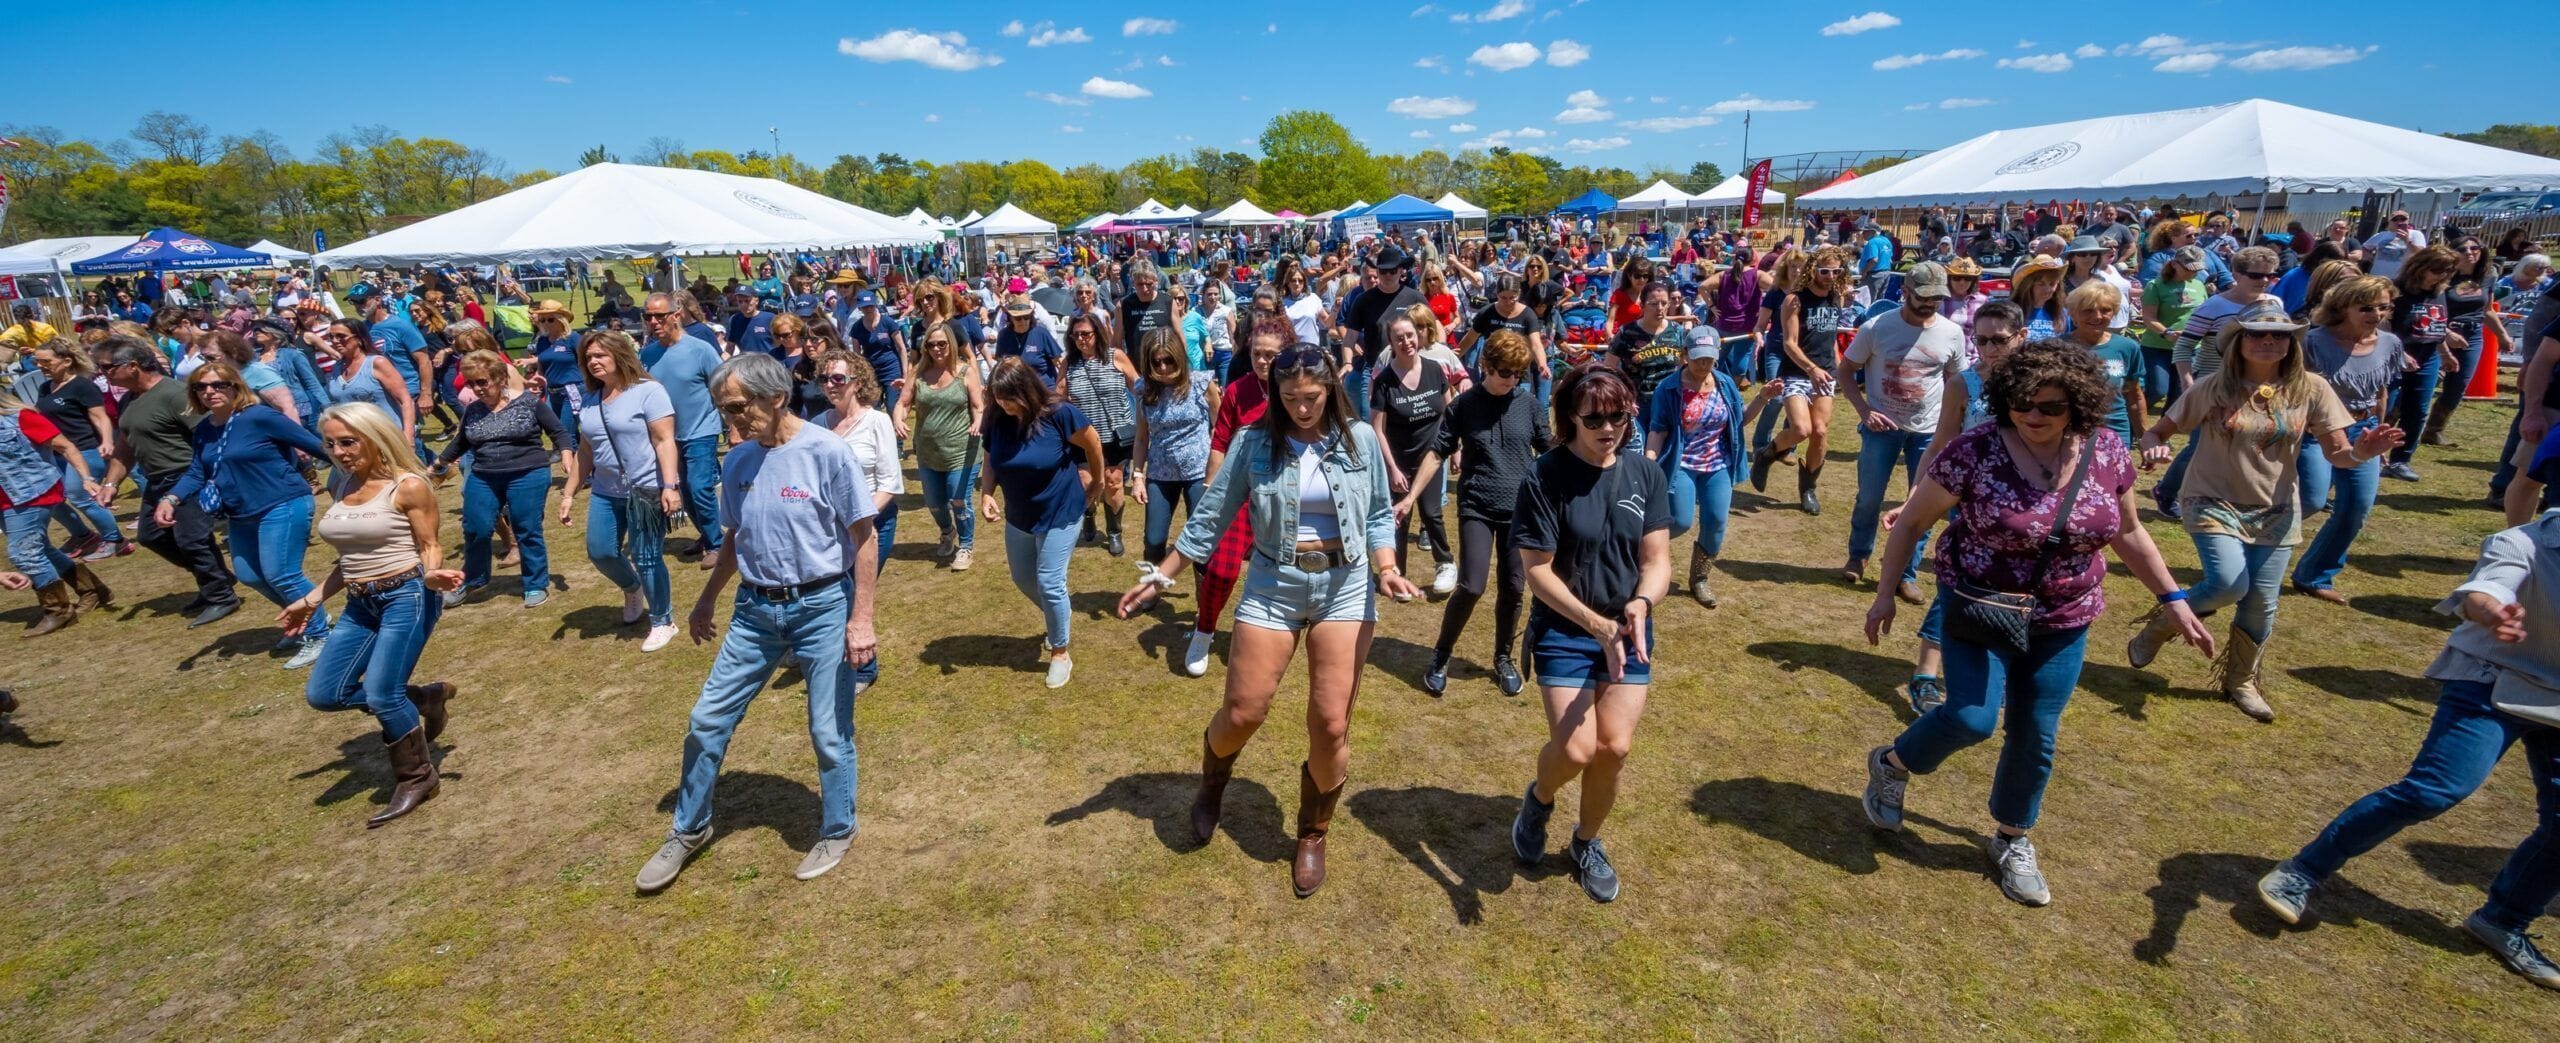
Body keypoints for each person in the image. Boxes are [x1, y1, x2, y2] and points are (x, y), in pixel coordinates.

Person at [1859, 340, 2212, 907]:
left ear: (2078, 403)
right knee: (1972, 719)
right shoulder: (1974, 451)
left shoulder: (2106, 452)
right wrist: (1885, 595)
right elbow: (1910, 524)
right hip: (1979, 604)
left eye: (2049, 406)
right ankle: (1893, 763)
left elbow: (2128, 532)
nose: (2034, 415)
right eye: (2022, 403)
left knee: (2036, 732)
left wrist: (2173, 597)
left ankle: (2012, 838)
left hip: (2065, 614)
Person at [1118, 342, 1418, 899]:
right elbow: (1212, 512)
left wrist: (1388, 567)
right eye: (1290, 398)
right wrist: (1162, 575)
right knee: (1243, 711)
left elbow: (1378, 512)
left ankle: (1313, 832)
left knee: (1331, 723)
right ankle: (1213, 782)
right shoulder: (1256, 442)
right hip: (1273, 584)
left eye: (1312, 397)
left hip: (1345, 585)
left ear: (1329, 389)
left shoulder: (1358, 442)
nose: (1302, 408)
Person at [2255, 509, 2560, 991]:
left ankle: (2504, 920)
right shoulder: (2521, 543)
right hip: (2490, 677)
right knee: (2436, 790)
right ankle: (2301, 872)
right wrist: (2491, 611)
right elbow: (2488, 590)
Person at [633, 353, 882, 892]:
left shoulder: (826, 452)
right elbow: (732, 539)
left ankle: (838, 827)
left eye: (739, 408)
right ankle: (689, 828)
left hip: (822, 608)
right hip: (754, 613)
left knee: (827, 730)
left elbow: (865, 537)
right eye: (725, 410)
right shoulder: (739, 462)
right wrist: (704, 602)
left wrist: (861, 618)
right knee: (706, 721)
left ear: (777, 398)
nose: (733, 422)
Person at [2133, 301, 2405, 721]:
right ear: (2238, 342)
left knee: (2260, 602)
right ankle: (2163, 625)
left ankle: (2240, 681)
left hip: (2276, 507)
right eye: (2256, 333)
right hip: (2212, 498)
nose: (2267, 341)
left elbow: (2339, 455)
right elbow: (2159, 429)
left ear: (2291, 344)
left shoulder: (2311, 388)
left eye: (2278, 335)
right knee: (2226, 583)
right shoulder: (2212, 386)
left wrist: (2364, 451)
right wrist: (2153, 444)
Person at [1502, 361, 1671, 904]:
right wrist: (1593, 623)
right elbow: (1537, 570)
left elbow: (1658, 559)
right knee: (1575, 752)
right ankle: (1539, 799)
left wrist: (1642, 603)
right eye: (1594, 417)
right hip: (1566, 627)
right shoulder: (1545, 475)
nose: (1608, 428)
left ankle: (1585, 842)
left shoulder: (1645, 474)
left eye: (1618, 416)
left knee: (1614, 748)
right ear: (1569, 416)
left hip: (1627, 630)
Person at [280, 403, 463, 828]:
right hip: (360, 603)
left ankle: (418, 778)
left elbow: (428, 543)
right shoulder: (340, 483)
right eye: (331, 444)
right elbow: (351, 558)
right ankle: (426, 697)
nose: (339, 452)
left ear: (374, 436)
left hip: (407, 595)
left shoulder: (409, 486)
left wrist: (433, 572)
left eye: (348, 441)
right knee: (325, 694)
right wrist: (311, 600)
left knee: (382, 694)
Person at [163, 360, 337, 668]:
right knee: (249, 574)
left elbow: (317, 445)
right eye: (200, 387)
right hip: (241, 513)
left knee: (281, 573)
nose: (209, 392)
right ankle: (305, 619)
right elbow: (196, 471)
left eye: (219, 385)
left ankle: (319, 635)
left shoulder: (260, 417)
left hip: (282, 502)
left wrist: (356, 475)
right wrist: (172, 498)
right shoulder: (204, 429)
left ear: (236, 387)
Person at [1426, 330, 1549, 695]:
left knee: (1514, 587)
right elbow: (1438, 451)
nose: (1512, 380)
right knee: (1472, 585)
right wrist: (1409, 495)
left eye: (1518, 374)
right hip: (1477, 505)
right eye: (1505, 373)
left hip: (1520, 511)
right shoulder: (1463, 406)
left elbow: (1548, 449)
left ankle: (1503, 657)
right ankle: (1441, 655)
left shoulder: (1528, 405)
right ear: (1485, 366)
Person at [1839, 262, 1968, 602]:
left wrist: (1954, 426)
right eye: (1922, 297)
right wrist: (1864, 410)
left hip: (1930, 432)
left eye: (1935, 299)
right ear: (1905, 292)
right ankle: (1858, 555)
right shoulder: (1876, 328)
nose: (1929, 305)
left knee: (1923, 505)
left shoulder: (1951, 333)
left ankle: (1904, 574)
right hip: (1882, 428)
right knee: (1869, 498)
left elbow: (1959, 381)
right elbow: (1846, 371)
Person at [94, 337, 240, 626]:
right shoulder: (129, 399)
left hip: (186, 474)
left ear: (133, 366)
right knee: (151, 536)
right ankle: (215, 579)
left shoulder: (174, 394)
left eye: (108, 367)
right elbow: (126, 444)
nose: (103, 374)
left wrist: (211, 477)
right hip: (157, 479)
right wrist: (110, 483)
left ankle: (221, 595)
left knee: (192, 539)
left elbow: (210, 434)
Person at [982, 357, 1105, 688]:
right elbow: (990, 458)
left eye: (1008, 398)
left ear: (1025, 391)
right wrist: (986, 493)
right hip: (1019, 514)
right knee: (1023, 579)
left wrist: (1097, 480)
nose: (1002, 404)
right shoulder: (996, 417)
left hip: (1061, 509)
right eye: (997, 397)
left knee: (1050, 582)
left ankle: (1060, 653)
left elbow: (1092, 442)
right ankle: (1059, 615)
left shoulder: (1058, 413)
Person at [564, 330, 687, 650]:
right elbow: (585, 450)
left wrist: (670, 486)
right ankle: (632, 588)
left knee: (647, 557)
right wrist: (568, 493)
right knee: (601, 551)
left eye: (600, 356)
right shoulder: (591, 399)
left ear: (620, 356)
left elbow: (664, 441)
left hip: (647, 489)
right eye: (588, 358)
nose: (593, 362)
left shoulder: (649, 391)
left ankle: (663, 620)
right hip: (606, 491)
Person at [2291, 275, 2410, 605]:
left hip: (2363, 428)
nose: (2377, 314)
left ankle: (2314, 575)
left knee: (2356, 507)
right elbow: (2295, 390)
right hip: (2317, 430)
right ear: (2343, 306)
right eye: (2367, 307)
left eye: (2384, 307)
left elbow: (2381, 391)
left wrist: (2380, 436)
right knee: (2312, 499)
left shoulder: (2389, 343)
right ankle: (2251, 545)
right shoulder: (2313, 341)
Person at [431, 350, 571, 608]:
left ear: (500, 379)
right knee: (475, 528)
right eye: (471, 383)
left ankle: (535, 583)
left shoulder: (529, 402)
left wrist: (566, 454)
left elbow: (558, 431)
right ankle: (474, 579)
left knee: (526, 528)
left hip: (527, 472)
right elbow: (461, 442)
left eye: (482, 382)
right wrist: (438, 464)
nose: (477, 388)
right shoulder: (473, 410)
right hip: (484, 475)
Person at [811, 350, 901, 696]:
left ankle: (864, 668)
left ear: (857, 382)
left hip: (872, 523)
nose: (831, 385)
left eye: (838, 378)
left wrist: (857, 518)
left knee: (853, 592)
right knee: (831, 590)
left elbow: (890, 483)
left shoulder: (877, 421)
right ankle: (824, 651)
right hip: (829, 527)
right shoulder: (818, 425)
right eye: (825, 378)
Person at [1644, 325, 1746, 610]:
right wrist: (1649, 459)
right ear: (1685, 354)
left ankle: (1699, 579)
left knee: (1716, 524)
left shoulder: (1725, 383)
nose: (1704, 364)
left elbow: (1738, 422)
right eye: (1698, 357)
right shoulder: (1669, 388)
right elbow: (1658, 429)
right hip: (1683, 462)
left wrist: (1763, 398)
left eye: (1710, 358)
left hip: (1718, 464)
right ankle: (1640, 549)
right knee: (1680, 520)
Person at [1750, 245, 1855, 515]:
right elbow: (1789, 343)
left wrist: (1838, 367)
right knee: (1800, 430)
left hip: (1826, 373)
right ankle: (1767, 453)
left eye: (1836, 271)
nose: (1830, 276)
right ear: (1813, 270)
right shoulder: (1794, 300)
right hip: (1798, 371)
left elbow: (1829, 339)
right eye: (1824, 271)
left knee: (1820, 432)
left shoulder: (1836, 297)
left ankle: (1808, 488)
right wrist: (1811, 369)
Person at [0, 384, 112, 636]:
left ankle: (58, 611)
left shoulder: (21, 417)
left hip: (32, 493)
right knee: (40, 548)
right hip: (7, 499)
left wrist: (86, 478)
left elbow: (66, 447)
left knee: (23, 553)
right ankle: (93, 590)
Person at [1372, 313, 1459, 596]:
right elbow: (1377, 429)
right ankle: (1398, 575)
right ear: (1392, 343)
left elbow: (1450, 413)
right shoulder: (1385, 380)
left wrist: (1456, 449)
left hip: (1432, 457)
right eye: (1399, 338)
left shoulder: (1435, 369)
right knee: (1398, 518)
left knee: (1432, 512)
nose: (1407, 342)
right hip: (1398, 459)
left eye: (1410, 335)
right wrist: (1392, 468)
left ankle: (1445, 563)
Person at [26, 340, 133, 562]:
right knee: (53, 499)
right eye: (37, 361)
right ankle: (82, 536)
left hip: (86, 449)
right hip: (58, 453)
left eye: (46, 361)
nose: (40, 366)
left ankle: (115, 540)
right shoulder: (46, 387)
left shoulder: (82, 386)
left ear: (66, 361)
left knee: (79, 494)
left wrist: (106, 441)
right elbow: (37, 415)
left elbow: (100, 416)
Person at [639, 293, 725, 562]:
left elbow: (723, 388)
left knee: (700, 487)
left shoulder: (701, 350)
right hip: (667, 436)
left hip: (702, 429)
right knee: (684, 491)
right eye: (648, 316)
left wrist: (734, 426)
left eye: (659, 316)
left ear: (676, 315)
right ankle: (706, 535)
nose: (653, 322)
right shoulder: (649, 354)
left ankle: (717, 545)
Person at [900, 320, 985, 571]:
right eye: (932, 344)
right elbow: (903, 402)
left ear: (951, 343)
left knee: (959, 499)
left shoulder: (965, 371)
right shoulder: (918, 373)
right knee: (935, 502)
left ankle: (966, 546)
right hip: (929, 451)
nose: (937, 349)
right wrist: (898, 419)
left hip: (962, 449)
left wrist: (978, 420)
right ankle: (947, 532)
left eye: (942, 344)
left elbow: (978, 405)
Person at [1132, 328, 1220, 564]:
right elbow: (1141, 437)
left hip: (1200, 473)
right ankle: (1150, 590)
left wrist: (1218, 472)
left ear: (1179, 358)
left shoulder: (1202, 383)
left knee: (1202, 538)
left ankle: (1206, 597)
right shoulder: (1143, 389)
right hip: (1160, 473)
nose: (1162, 368)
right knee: (1153, 539)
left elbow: (1221, 429)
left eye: (1168, 360)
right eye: (1156, 362)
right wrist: (1138, 476)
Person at [1059, 313, 1139, 556]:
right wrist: (1064, 401)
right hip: (1083, 437)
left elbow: (1138, 385)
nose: (1081, 339)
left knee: (1113, 483)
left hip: (1116, 434)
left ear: (1098, 334)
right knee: (1087, 482)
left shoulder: (1115, 356)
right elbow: (1058, 394)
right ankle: (1089, 513)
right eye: (1076, 335)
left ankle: (1114, 532)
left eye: (1086, 334)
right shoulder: (1069, 363)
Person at [2419, 239, 2502, 450]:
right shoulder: (2442, 276)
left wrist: (2502, 336)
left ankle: (2434, 431)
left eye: (2475, 248)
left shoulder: (2486, 276)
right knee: (2425, 381)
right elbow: (2425, 309)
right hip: (2439, 332)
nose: (2470, 252)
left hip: (2472, 334)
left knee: (2458, 385)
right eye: (2463, 249)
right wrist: (2446, 333)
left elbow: (2488, 310)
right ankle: (2391, 422)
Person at [2063, 281, 2149, 452]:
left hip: (2115, 431)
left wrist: (2143, 439)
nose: (2097, 316)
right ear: (2073, 314)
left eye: (2105, 310)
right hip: (2069, 432)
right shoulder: (2057, 348)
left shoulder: (2127, 347)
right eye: (2088, 310)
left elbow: (2134, 396)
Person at [1607, 279, 1690, 446]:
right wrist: (1624, 399)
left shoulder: (1678, 332)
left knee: (1666, 453)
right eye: (1653, 303)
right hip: (1637, 405)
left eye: (1664, 303)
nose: (1659, 308)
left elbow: (1684, 366)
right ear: (1642, 305)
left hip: (1668, 403)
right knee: (1637, 450)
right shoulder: (1627, 332)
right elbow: (1608, 369)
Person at [2138, 246, 2211, 410]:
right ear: (2174, 265)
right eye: (2189, 269)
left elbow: (2204, 314)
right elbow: (2149, 318)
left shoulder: (2199, 285)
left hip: (2189, 348)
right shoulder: (2156, 286)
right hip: (2158, 347)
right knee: (2157, 390)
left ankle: (2163, 433)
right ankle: (2134, 422)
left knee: (2179, 396)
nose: (2193, 272)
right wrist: (2166, 332)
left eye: (2197, 269)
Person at [2363, 210, 2428, 280]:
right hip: (2377, 277)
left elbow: (2421, 253)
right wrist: (2371, 258)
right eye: (2395, 219)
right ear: (2390, 222)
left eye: (2403, 219)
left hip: (2401, 279)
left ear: (2408, 221)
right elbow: (2365, 248)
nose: (2399, 222)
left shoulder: (2416, 234)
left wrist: (2407, 241)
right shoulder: (2381, 235)